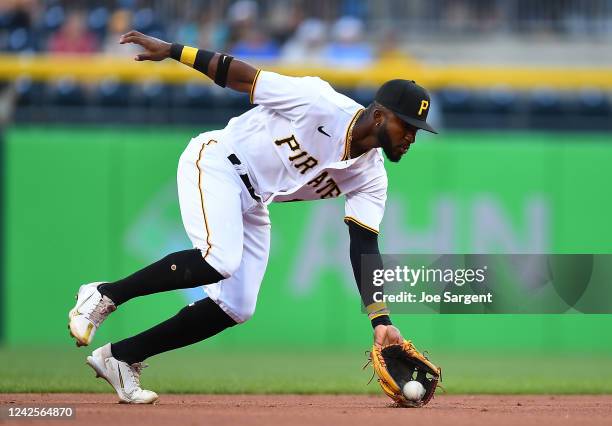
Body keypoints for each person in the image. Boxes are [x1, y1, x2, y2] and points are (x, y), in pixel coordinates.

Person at [68, 30, 438, 404]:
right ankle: (104, 295)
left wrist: (381, 321)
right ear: (378, 116)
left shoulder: (371, 177)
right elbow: (240, 75)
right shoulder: (319, 102)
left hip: (253, 200)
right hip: (218, 161)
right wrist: (173, 51)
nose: (411, 137)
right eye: (405, 126)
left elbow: (363, 244)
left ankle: (121, 357)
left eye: (416, 130)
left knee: (237, 306)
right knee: (219, 259)